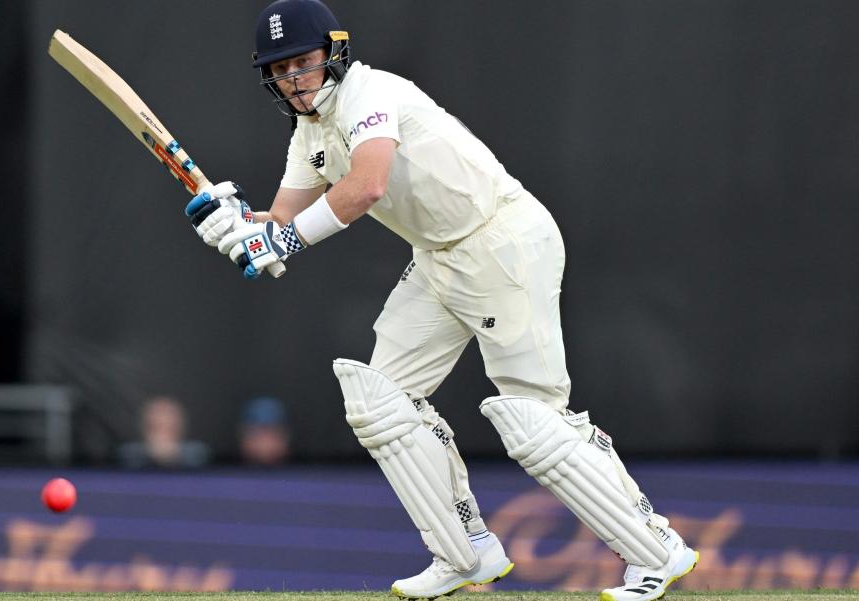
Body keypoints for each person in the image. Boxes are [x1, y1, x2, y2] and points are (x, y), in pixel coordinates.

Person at [183, 1, 698, 599]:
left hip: (502, 241)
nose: (295, 80)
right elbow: (281, 220)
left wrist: (282, 239)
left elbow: (367, 185)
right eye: (281, 69)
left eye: (304, 62)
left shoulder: (369, 94)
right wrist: (236, 222)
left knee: (535, 422)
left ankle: (656, 550)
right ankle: (466, 551)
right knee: (382, 402)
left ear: (334, 52)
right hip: (438, 258)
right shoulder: (310, 133)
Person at [117, 395, 210, 469]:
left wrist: (171, 454)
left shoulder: (197, 451)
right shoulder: (129, 452)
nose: (163, 420)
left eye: (168, 416)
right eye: (157, 421)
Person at [238, 395, 292, 465]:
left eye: (273, 433)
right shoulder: (226, 472)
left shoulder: (301, 472)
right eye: (255, 434)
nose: (265, 443)